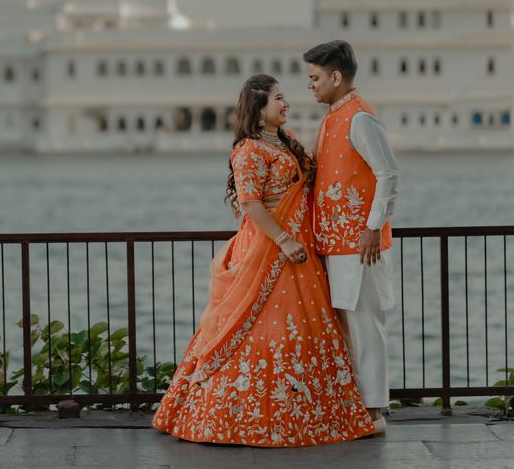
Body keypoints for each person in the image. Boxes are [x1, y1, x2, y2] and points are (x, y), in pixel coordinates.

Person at [151, 74, 375, 447]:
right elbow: (252, 204)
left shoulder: (285, 143)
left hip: (299, 253)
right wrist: (285, 240)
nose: (286, 104)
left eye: (284, 97)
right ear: (258, 109)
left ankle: (307, 415)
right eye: (278, 98)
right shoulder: (249, 151)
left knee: (303, 334)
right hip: (270, 251)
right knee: (258, 331)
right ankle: (236, 418)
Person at [303, 40, 399, 435]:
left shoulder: (360, 118)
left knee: (365, 326)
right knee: (345, 326)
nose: (311, 85)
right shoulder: (331, 118)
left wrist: (373, 228)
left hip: (361, 246)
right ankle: (356, 407)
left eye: (315, 77)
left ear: (336, 77)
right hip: (335, 244)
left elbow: (388, 173)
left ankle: (374, 411)